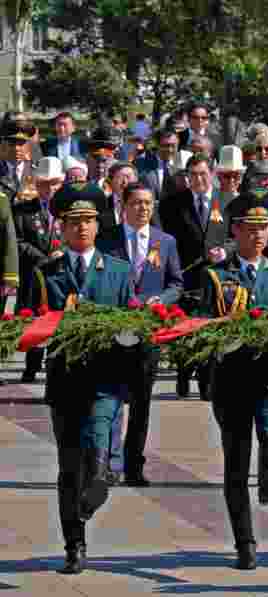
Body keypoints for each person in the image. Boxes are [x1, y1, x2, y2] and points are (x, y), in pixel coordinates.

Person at [32, 183, 134, 574]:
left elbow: (134, 324)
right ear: (61, 227)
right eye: (74, 222)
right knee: (69, 466)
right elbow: (30, 319)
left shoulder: (118, 271)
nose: (82, 229)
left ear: (98, 224)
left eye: (89, 221)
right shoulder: (48, 272)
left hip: (105, 382)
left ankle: (94, 494)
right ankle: (74, 543)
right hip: (64, 382)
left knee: (97, 450)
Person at [198, 188, 268, 570]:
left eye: (264, 228)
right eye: (250, 228)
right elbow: (203, 327)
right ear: (236, 232)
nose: (258, 235)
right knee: (236, 466)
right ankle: (245, 542)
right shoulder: (217, 276)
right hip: (232, 381)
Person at [97, 183, 184, 487]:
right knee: (110, 399)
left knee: (141, 402)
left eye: (148, 203)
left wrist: (162, 300)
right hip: (113, 331)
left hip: (147, 332)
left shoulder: (165, 241)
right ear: (124, 205)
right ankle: (107, 463)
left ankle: (135, 465)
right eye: (136, 203)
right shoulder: (107, 239)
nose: (143, 208)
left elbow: (176, 283)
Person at [159, 154, 234, 398]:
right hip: (186, 275)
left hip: (216, 278)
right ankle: (183, 373)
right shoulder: (172, 203)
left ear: (212, 173)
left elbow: (235, 237)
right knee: (185, 329)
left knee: (210, 330)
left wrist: (225, 251)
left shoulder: (226, 200)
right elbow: (166, 240)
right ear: (186, 177)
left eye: (203, 174)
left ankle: (207, 383)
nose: (198, 179)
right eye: (193, 175)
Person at [13, 157, 63, 383]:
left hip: (61, 274)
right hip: (34, 274)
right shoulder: (23, 210)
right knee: (34, 320)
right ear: (36, 184)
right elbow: (19, 241)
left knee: (58, 320)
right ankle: (31, 366)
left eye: (53, 183)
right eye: (44, 183)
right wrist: (42, 258)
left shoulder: (68, 210)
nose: (48, 189)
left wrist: (62, 253)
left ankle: (55, 367)